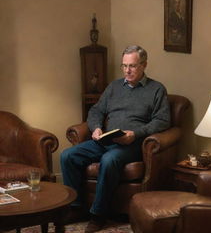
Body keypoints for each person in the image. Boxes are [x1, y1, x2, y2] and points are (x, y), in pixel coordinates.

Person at [60, 45, 170, 233]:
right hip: (106, 139)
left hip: (132, 143)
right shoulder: (114, 87)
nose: (127, 70)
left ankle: (98, 214)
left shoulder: (156, 89)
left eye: (132, 66)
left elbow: (162, 121)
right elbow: (96, 110)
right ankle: (76, 208)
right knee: (67, 155)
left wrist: (135, 134)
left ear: (144, 65)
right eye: (124, 66)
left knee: (109, 160)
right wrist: (96, 128)